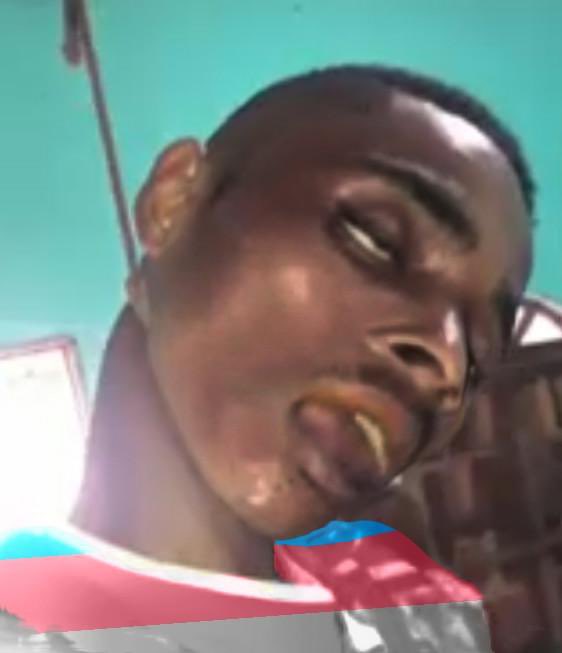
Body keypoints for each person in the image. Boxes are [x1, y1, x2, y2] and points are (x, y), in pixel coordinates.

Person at [0, 64, 538, 652]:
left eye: (480, 352)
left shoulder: (413, 607)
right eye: (376, 239)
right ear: (172, 202)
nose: (448, 365)